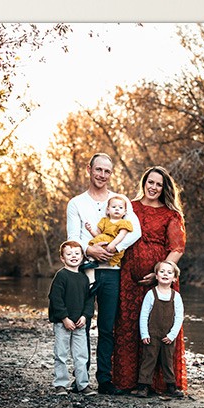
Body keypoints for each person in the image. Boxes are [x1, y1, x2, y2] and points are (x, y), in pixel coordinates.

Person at [65, 154, 141, 394]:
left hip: (112, 273)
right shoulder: (76, 203)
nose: (102, 175)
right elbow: (72, 238)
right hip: (85, 272)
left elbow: (135, 231)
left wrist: (112, 249)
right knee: (81, 326)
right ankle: (81, 379)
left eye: (107, 171)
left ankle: (105, 380)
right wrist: (90, 250)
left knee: (107, 327)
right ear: (89, 169)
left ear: (111, 174)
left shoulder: (120, 201)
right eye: (98, 170)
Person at [115, 166, 187, 395]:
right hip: (128, 277)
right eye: (150, 182)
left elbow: (177, 248)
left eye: (159, 184)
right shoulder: (130, 208)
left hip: (160, 280)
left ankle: (160, 382)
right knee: (129, 323)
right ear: (143, 183)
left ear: (164, 188)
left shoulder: (170, 214)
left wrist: (160, 274)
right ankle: (128, 381)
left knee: (158, 327)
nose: (153, 187)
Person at [131, 260, 185, 397]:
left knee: (168, 361)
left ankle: (171, 386)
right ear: (156, 276)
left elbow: (179, 318)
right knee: (149, 359)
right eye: (162, 272)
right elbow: (143, 315)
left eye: (169, 272)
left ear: (174, 278)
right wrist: (144, 334)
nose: (165, 274)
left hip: (168, 335)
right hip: (152, 334)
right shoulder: (151, 294)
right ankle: (143, 386)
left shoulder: (176, 296)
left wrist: (172, 335)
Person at [46, 241, 94, 395]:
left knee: (81, 355)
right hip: (63, 323)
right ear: (62, 258)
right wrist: (64, 318)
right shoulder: (61, 276)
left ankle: (82, 384)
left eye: (77, 254)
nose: (73, 256)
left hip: (80, 324)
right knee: (60, 354)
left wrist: (85, 316)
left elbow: (89, 300)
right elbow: (55, 298)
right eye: (69, 254)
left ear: (82, 257)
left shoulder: (84, 278)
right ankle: (60, 384)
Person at [81, 194, 134, 284]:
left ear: (125, 212)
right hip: (103, 243)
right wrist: (90, 230)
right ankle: (91, 278)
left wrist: (112, 245)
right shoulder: (104, 220)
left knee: (101, 240)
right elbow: (97, 234)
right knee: (95, 246)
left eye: (120, 208)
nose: (117, 209)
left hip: (113, 245)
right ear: (108, 210)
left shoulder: (124, 223)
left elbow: (122, 235)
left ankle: (92, 262)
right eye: (114, 207)